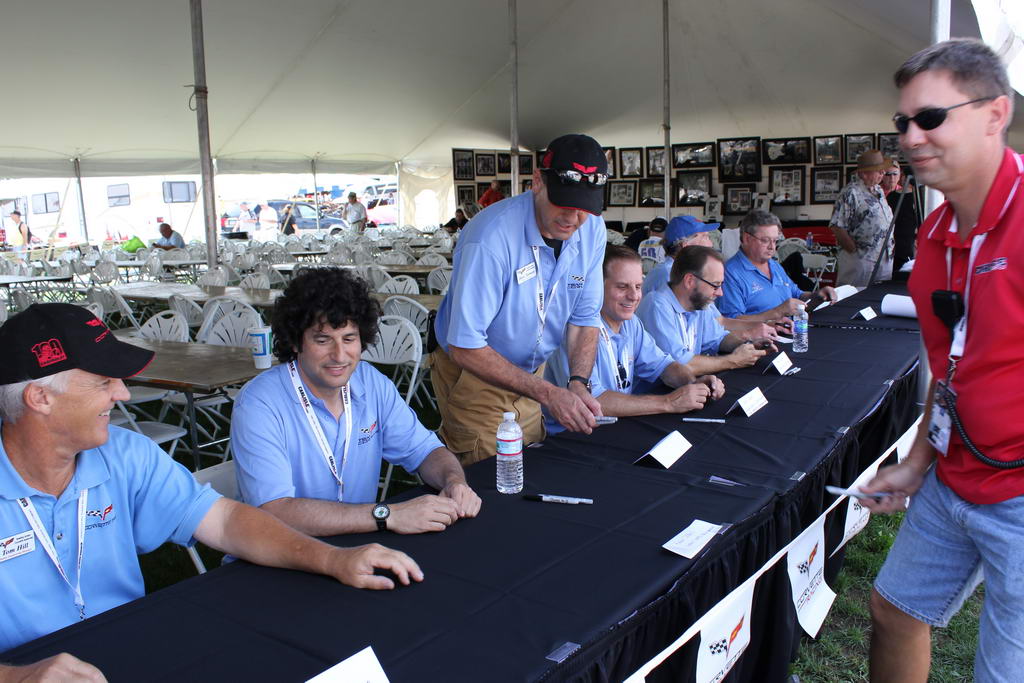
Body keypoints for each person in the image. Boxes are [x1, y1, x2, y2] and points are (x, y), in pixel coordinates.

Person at [0, 304, 423, 674]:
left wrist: (334, 560)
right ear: (40, 397)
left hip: (126, 649)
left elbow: (225, 520)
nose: (124, 393)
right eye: (103, 381)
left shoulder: (125, 453)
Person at [859, 39, 1022, 683]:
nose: (910, 136)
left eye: (931, 118)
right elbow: (948, 368)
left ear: (995, 113)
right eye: (903, 121)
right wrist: (921, 460)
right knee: (894, 610)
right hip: (955, 478)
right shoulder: (933, 232)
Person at [231, 268, 480, 536]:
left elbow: (425, 450)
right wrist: (387, 515)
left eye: (349, 339)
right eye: (323, 340)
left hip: (359, 544)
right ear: (294, 341)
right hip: (282, 554)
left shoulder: (370, 382)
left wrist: (454, 481)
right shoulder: (259, 404)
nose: (339, 355)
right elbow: (274, 511)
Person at [431, 134, 608, 464]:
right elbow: (465, 346)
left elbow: (585, 318)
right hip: (475, 374)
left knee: (530, 463)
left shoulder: (592, 228)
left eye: (584, 208)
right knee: (488, 473)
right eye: (564, 203)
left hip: (532, 373)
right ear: (537, 182)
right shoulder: (490, 239)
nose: (573, 218)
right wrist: (548, 393)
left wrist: (578, 382)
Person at [544, 246, 724, 433]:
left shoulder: (631, 323)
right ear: (596, 286)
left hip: (615, 428)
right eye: (622, 287)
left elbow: (664, 365)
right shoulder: (575, 329)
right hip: (572, 436)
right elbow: (592, 401)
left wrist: (693, 383)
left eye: (638, 287)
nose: (633, 296)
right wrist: (668, 402)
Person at [636, 245, 771, 375]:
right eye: (715, 285)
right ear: (690, 281)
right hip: (655, 394)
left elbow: (718, 339)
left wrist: (747, 345)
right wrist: (733, 361)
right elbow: (680, 365)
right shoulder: (656, 305)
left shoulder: (699, 302)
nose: (720, 293)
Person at [718, 209, 838, 326]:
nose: (772, 247)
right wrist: (777, 312)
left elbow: (797, 295)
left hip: (790, 331)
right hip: (757, 342)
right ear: (747, 238)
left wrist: (817, 296)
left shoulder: (773, 264)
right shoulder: (730, 273)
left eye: (775, 241)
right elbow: (730, 322)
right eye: (765, 240)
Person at [829, 149, 895, 286]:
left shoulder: (878, 190)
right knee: (854, 299)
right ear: (863, 174)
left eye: (882, 170)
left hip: (884, 257)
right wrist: (854, 252)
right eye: (878, 170)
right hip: (862, 260)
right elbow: (837, 225)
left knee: (878, 300)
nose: (883, 173)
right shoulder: (851, 192)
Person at [642, 215, 717, 295]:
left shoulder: (681, 271)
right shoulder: (669, 275)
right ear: (686, 245)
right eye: (705, 237)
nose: (711, 244)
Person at [881, 159, 921, 275]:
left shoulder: (917, 196)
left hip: (909, 242)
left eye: (895, 174)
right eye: (888, 174)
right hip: (889, 242)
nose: (892, 178)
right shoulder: (884, 195)